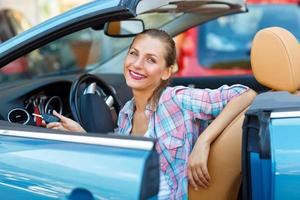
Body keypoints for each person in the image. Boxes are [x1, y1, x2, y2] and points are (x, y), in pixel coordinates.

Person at [47, 29, 255, 199]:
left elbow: (245, 94)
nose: (137, 64)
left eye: (151, 60)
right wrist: (83, 135)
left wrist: (204, 141)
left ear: (166, 71)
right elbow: (123, 162)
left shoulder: (175, 99)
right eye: (133, 53)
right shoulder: (127, 112)